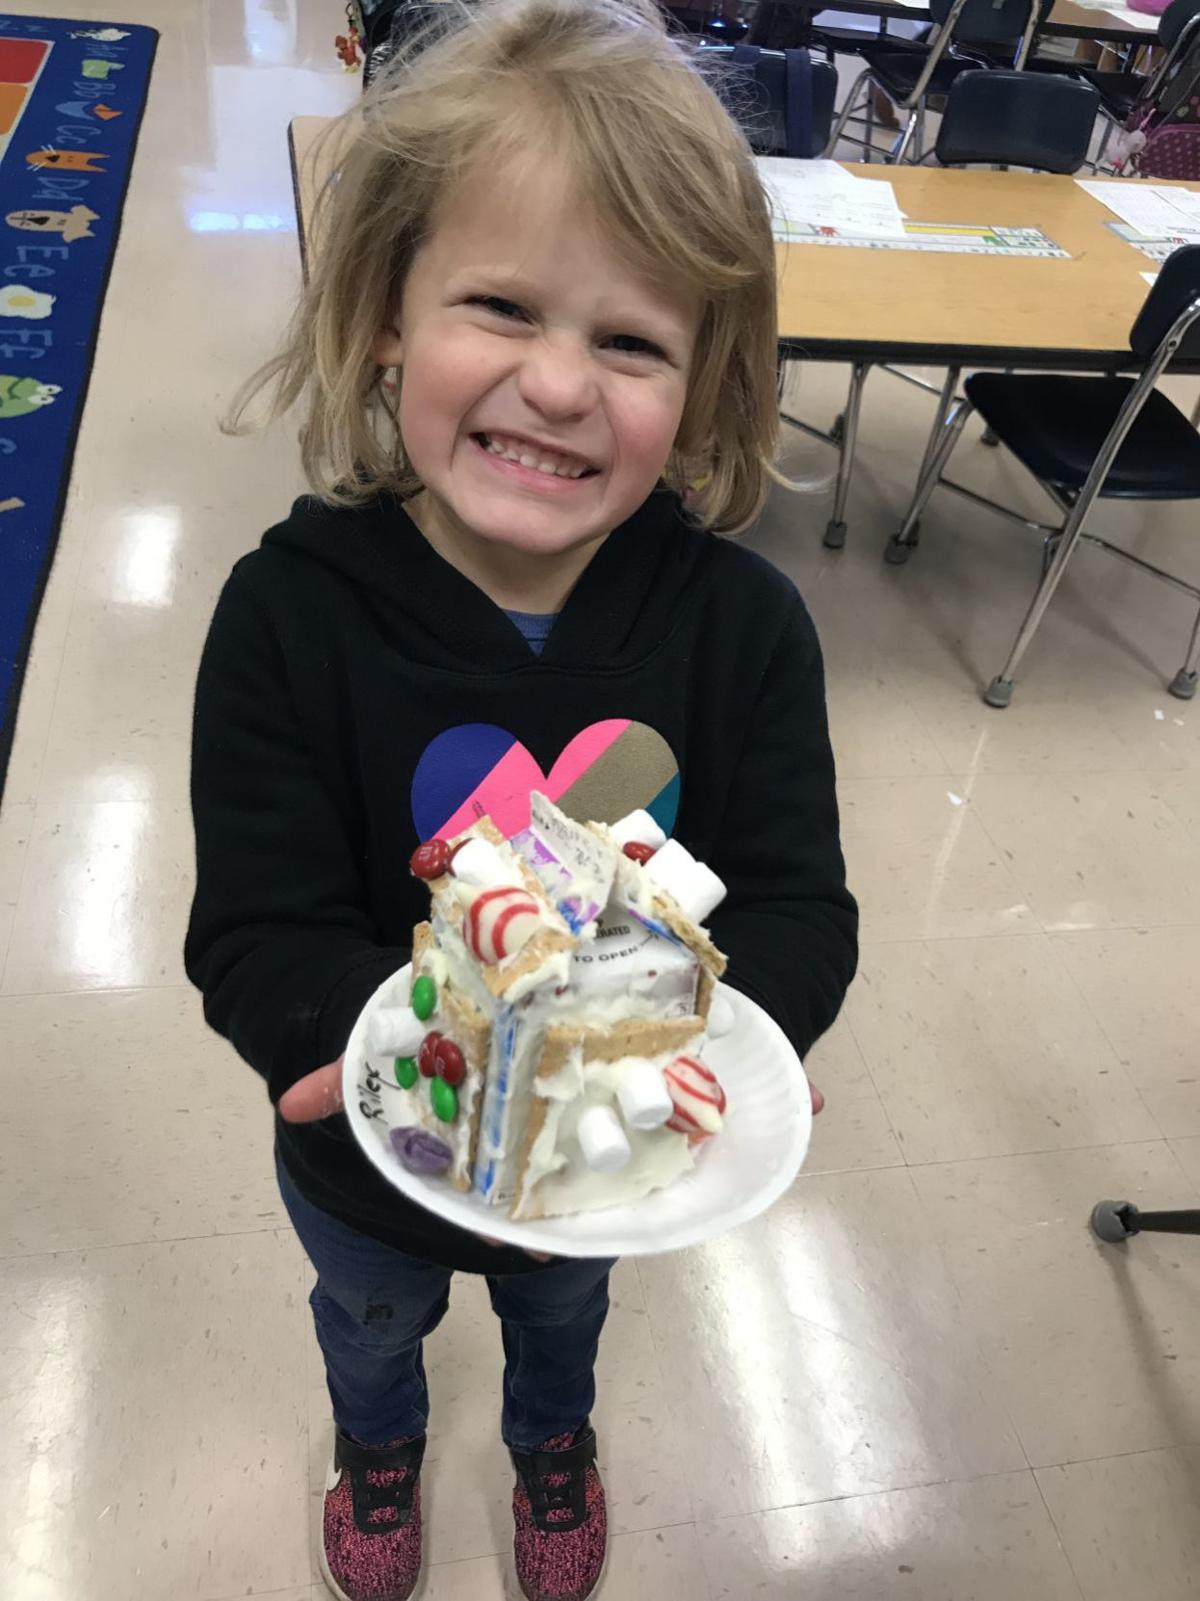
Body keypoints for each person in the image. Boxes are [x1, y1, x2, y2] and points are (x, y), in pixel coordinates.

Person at [184, 2, 858, 1598]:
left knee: (566, 1315)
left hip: (605, 1154)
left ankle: (554, 1439)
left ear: (704, 387)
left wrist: (747, 1029)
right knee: (370, 1316)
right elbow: (257, 921)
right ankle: (380, 1440)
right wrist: (321, 1035)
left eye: (631, 341)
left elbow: (795, 901)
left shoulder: (744, 629)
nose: (560, 384)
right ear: (386, 320)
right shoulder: (288, 615)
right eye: (500, 305)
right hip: (370, 1155)